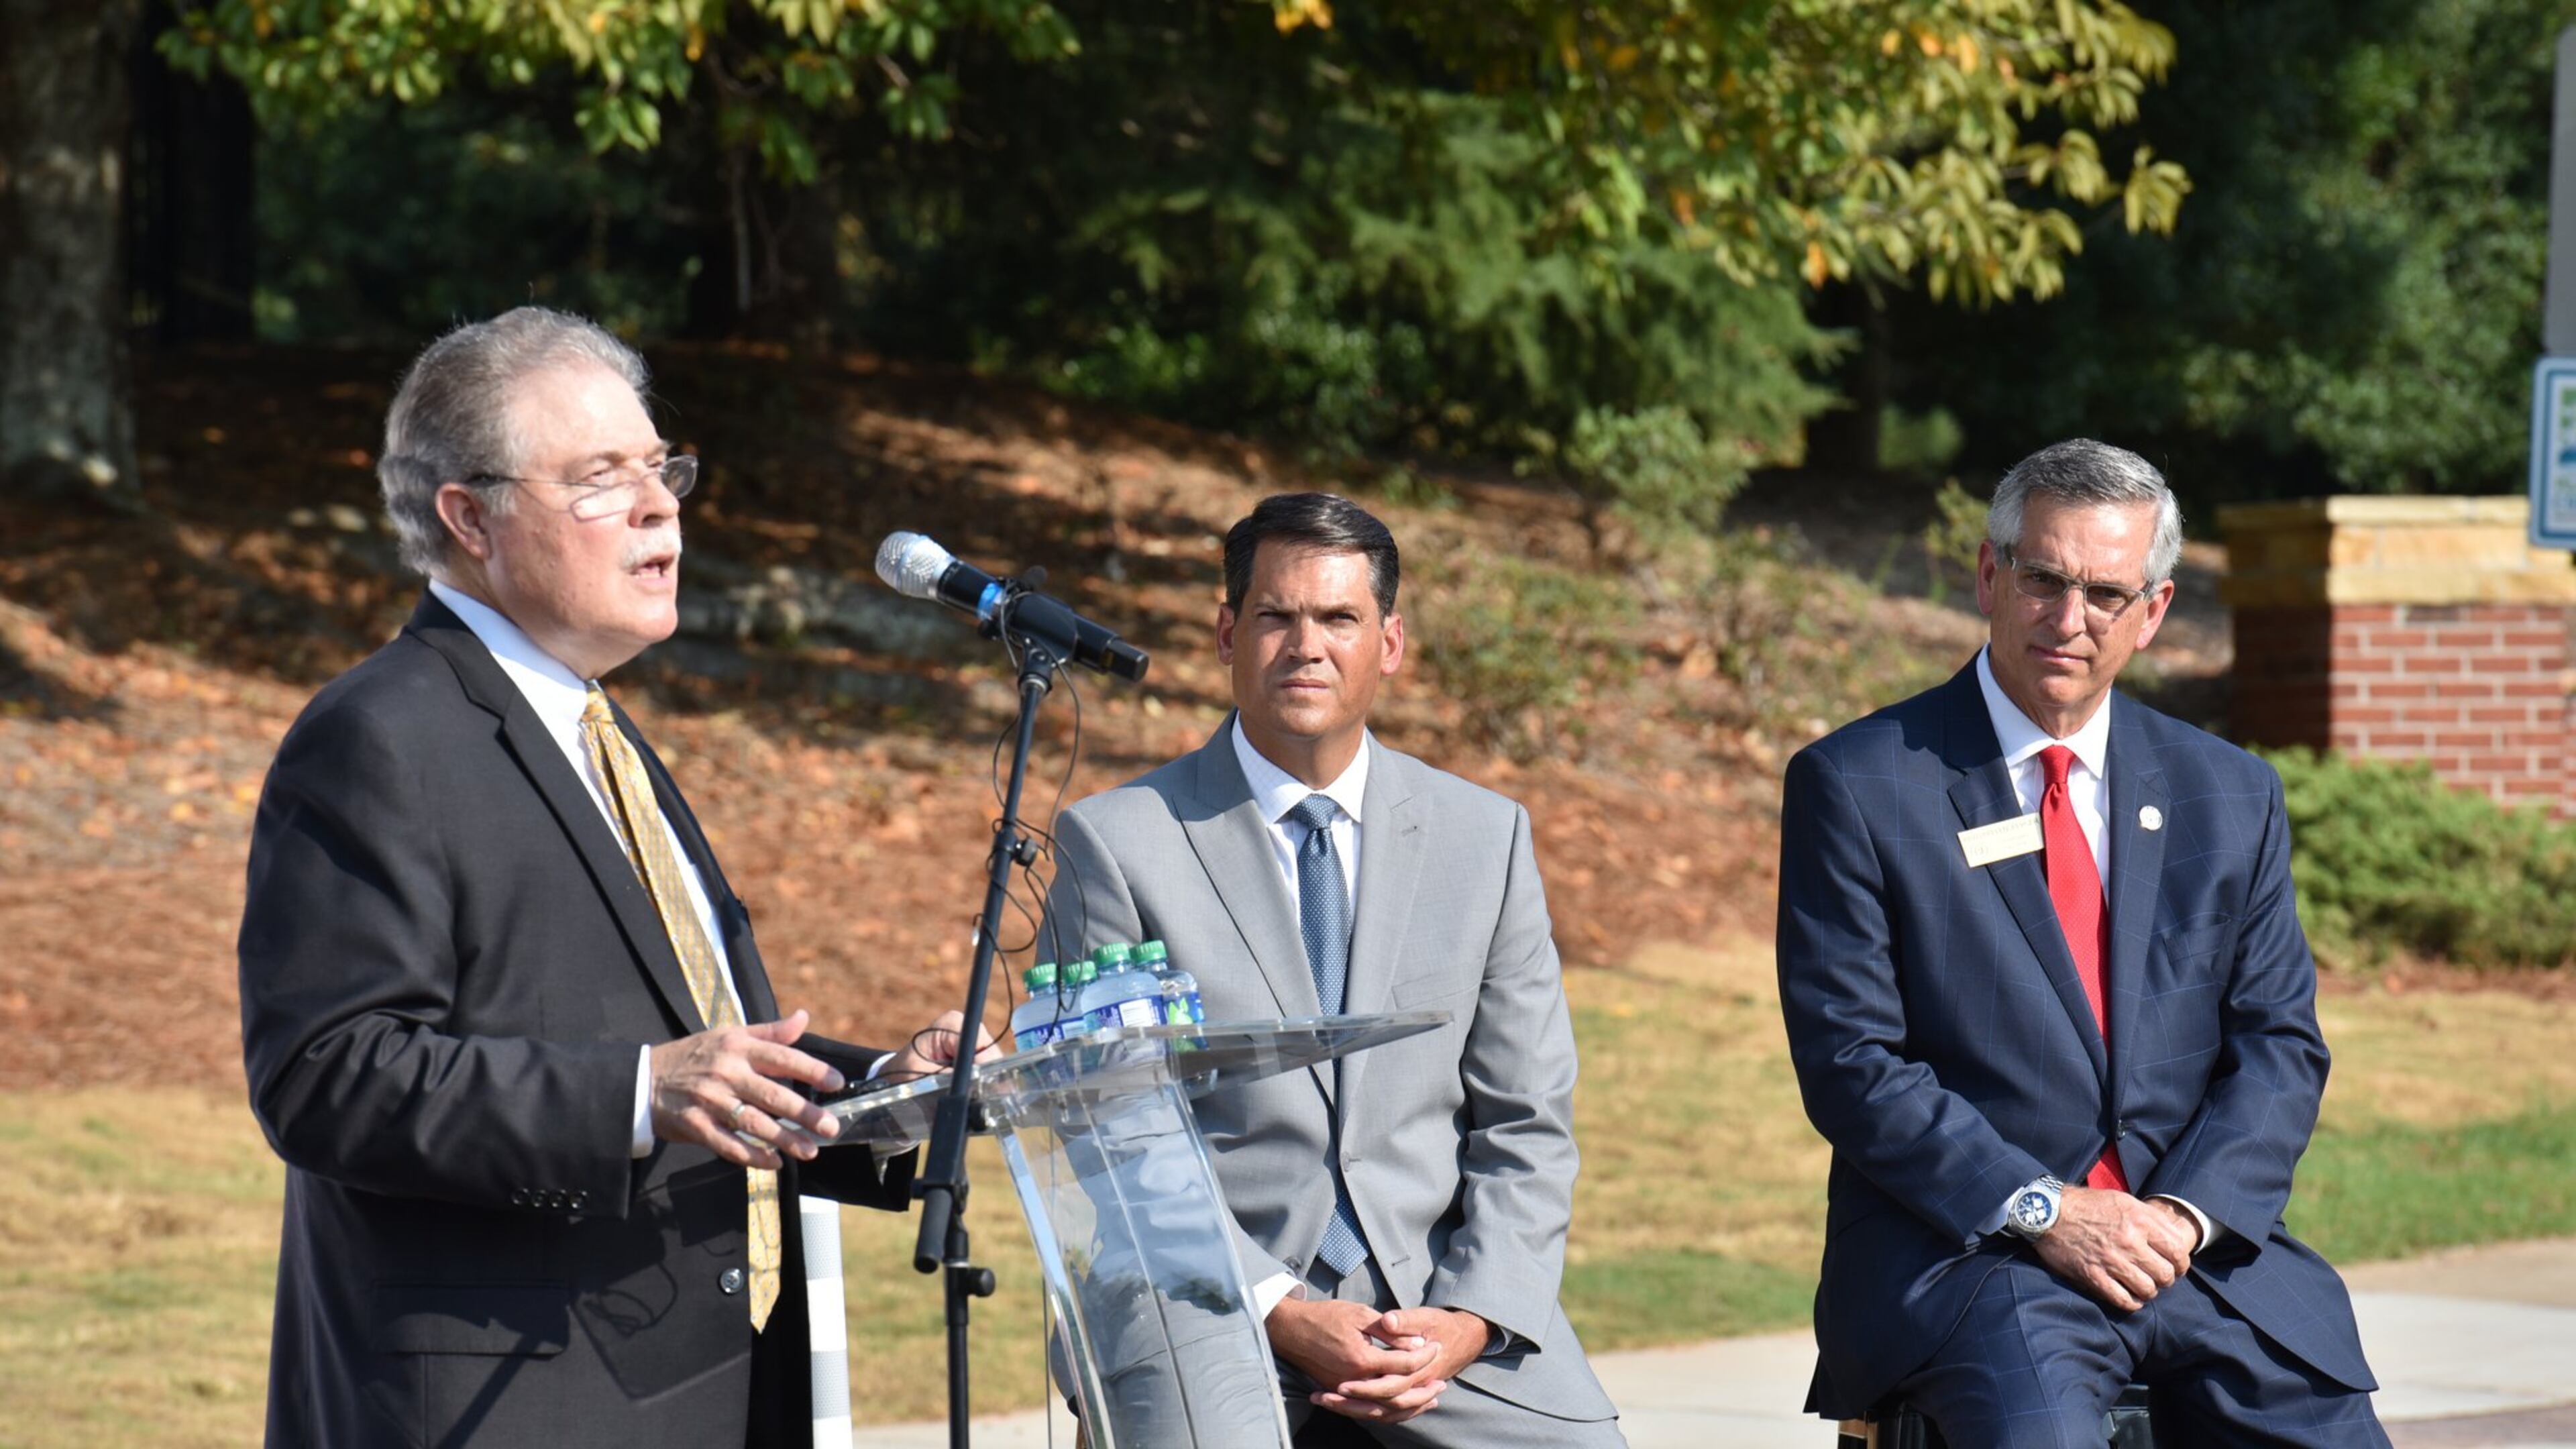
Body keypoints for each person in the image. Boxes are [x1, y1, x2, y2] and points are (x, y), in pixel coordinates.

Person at [238, 307, 981, 1447]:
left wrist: (884, 1088)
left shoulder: (597, 733)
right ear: (469, 517)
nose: (659, 505)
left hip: (707, 1389)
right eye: (600, 478)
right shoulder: (378, 736)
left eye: (660, 468)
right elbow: (327, 1075)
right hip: (508, 1408)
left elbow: (686, 1040)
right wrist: (635, 1097)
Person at [1776, 439, 2386, 1445]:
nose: (2070, 620)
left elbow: (2278, 1046)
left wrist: (2183, 1217)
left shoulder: (2229, 793)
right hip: (1975, 1260)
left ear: (2153, 611)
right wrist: (2047, 1211)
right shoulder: (1860, 784)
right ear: (1989, 575)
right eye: (2044, 580)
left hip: (2190, 1254)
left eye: (2106, 594)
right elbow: (1852, 1064)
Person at [1039, 492, 1623, 1446]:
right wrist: (1278, 1308)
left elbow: (1528, 1121)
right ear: (1227, 634)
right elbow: (1115, 1127)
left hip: (1438, 1308)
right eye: (1276, 616)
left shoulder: (1486, 839)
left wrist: (1469, 1320)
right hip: (1203, 1297)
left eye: (1339, 619)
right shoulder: (1116, 842)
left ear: (1388, 644)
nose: (1306, 647)